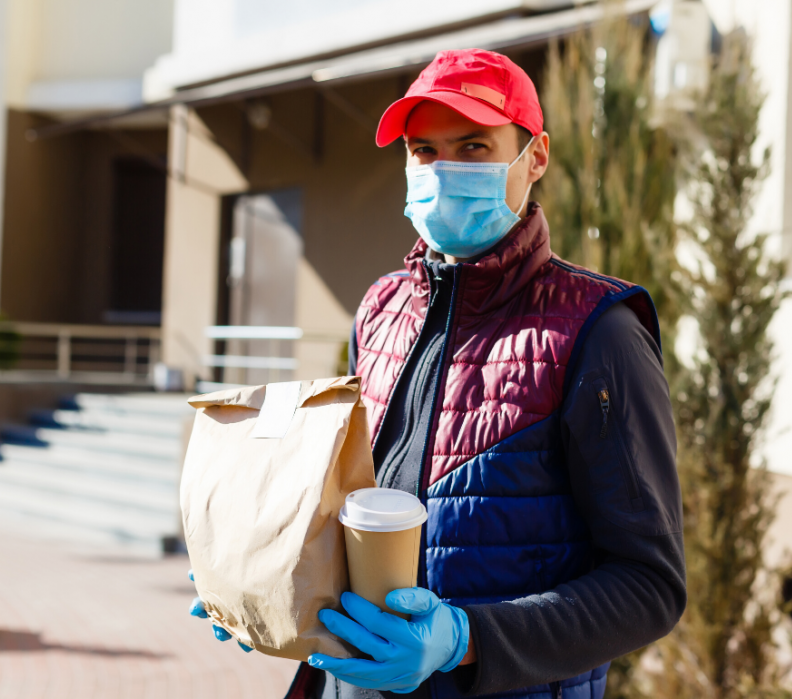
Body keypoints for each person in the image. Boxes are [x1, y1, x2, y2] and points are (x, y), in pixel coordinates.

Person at [190, 48, 685, 699]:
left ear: (535, 157)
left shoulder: (597, 331)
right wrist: (264, 574)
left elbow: (649, 587)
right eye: (423, 150)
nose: (443, 171)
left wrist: (465, 638)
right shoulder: (380, 309)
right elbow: (352, 500)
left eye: (474, 147)